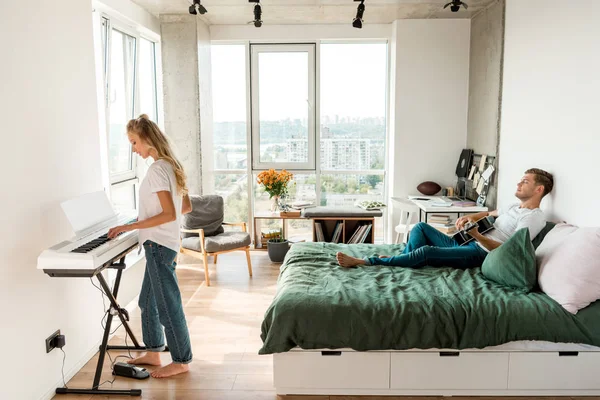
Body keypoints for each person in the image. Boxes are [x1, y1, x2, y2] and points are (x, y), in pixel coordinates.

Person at [107, 114, 193, 378]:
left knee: (167, 304)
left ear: (145, 140)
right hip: (165, 244)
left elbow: (169, 213)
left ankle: (180, 360)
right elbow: (185, 207)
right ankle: (154, 351)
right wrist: (142, 220)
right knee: (147, 300)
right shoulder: (170, 164)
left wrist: (132, 226)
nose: (134, 149)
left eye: (134, 142)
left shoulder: (157, 169)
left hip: (158, 246)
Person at [336, 168, 554, 269]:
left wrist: (477, 235)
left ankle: (369, 262)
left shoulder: (534, 218)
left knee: (426, 252)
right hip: (469, 241)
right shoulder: (513, 206)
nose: (518, 183)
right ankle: (405, 258)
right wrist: (469, 220)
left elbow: (512, 250)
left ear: (539, 189)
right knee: (420, 227)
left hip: (480, 254)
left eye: (525, 181)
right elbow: (488, 213)